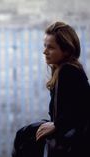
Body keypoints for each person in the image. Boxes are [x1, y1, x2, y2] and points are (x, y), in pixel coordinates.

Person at [12, 21, 90, 157]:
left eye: (51, 47)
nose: (44, 51)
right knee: (26, 134)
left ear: (66, 50)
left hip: (75, 145)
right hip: (71, 137)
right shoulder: (64, 70)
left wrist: (57, 125)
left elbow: (84, 108)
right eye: (45, 46)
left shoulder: (68, 71)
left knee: (25, 137)